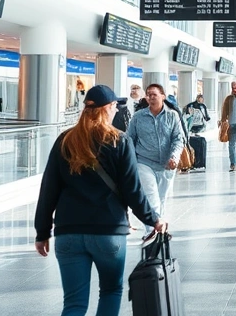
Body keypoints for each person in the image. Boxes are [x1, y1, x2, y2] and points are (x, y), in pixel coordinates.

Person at [34, 84, 168, 316]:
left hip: (69, 232)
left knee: (74, 303)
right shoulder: (119, 141)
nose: (117, 110)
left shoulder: (65, 141)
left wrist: (42, 231)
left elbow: (48, 190)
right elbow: (132, 190)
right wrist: (153, 219)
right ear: (107, 109)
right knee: (110, 291)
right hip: (109, 232)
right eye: (115, 105)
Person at [126, 84, 185, 221]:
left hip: (167, 165)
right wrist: (131, 161)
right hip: (144, 162)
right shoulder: (138, 117)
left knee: (161, 198)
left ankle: (158, 226)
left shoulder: (172, 116)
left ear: (163, 96)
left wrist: (174, 157)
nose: (151, 97)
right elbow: (130, 139)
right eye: (148, 95)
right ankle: (151, 230)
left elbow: (178, 139)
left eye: (154, 94)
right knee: (151, 197)